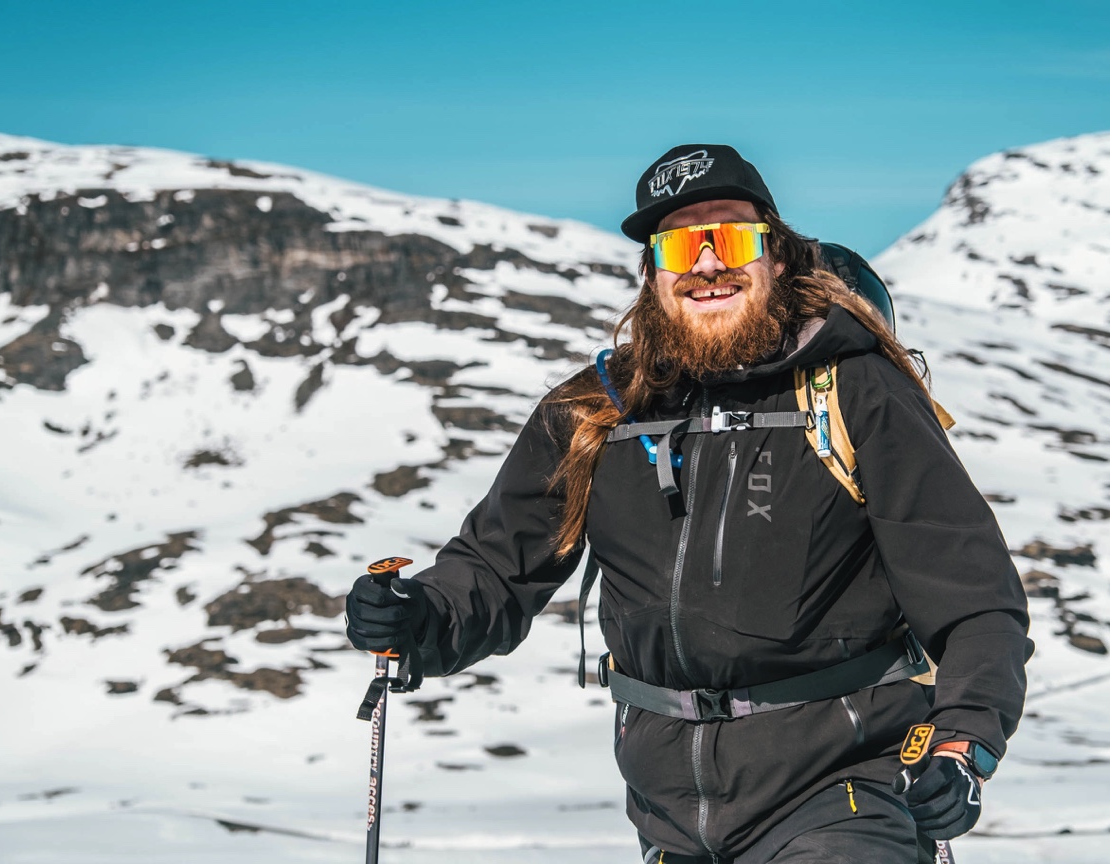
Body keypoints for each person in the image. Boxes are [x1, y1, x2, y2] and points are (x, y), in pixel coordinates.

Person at [346, 144, 1033, 863]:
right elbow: (496, 567)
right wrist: (417, 618)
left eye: (730, 238)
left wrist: (962, 744)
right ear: (653, 273)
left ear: (778, 256)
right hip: (669, 811)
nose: (707, 263)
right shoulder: (596, 410)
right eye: (680, 244)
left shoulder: (855, 391)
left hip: (843, 790)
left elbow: (974, 599)